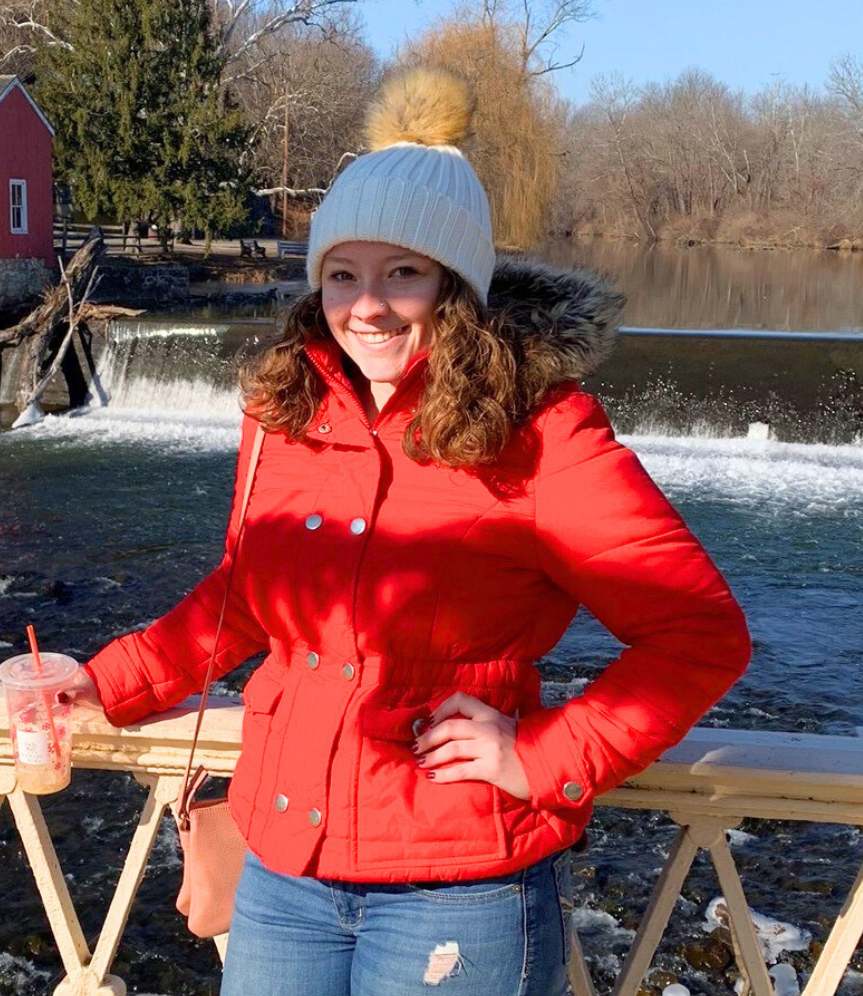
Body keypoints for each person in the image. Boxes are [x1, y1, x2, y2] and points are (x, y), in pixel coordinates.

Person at [69, 68, 751, 995]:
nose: (368, 305)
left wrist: (544, 755)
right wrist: (101, 685)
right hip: (283, 868)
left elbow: (698, 633)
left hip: (457, 888)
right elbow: (244, 601)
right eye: (342, 273)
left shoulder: (540, 430)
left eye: (404, 273)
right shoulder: (282, 413)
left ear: (455, 283)